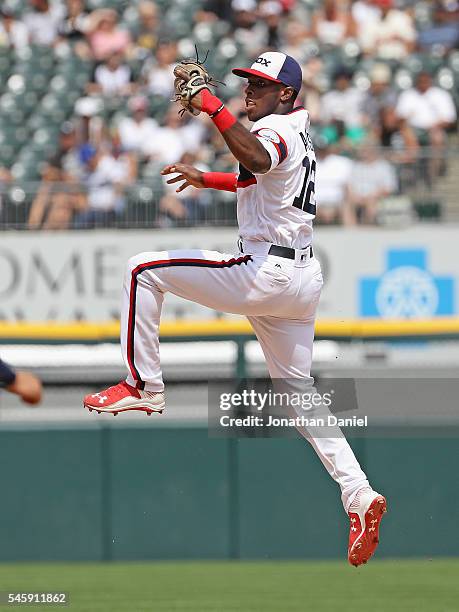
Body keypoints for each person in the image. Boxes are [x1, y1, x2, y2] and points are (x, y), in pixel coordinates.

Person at [83, 51, 387, 567]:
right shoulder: (294, 131)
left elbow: (258, 159)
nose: (249, 90)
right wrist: (208, 179)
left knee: (142, 268)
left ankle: (144, 388)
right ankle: (358, 493)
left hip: (266, 270)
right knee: (297, 393)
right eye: (246, 81)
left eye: (260, 85)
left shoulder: (279, 132)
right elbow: (256, 176)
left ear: (285, 93)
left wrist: (210, 105)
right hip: (301, 277)